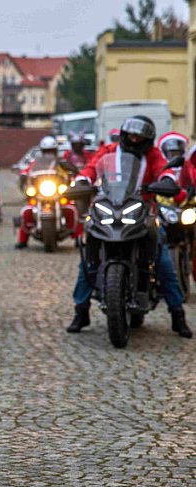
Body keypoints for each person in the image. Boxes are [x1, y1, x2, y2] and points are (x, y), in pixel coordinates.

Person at [67, 116, 192, 337]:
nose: (134, 140)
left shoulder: (153, 155)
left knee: (162, 260)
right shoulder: (108, 151)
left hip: (142, 210)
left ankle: (177, 314)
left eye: (139, 137)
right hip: (109, 206)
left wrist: (167, 181)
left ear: (148, 139)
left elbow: (164, 170)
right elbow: (90, 169)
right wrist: (82, 181)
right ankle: (81, 310)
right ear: (124, 135)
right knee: (88, 260)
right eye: (131, 135)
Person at [15, 136, 78, 249]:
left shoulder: (60, 162)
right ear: (42, 151)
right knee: (27, 211)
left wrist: (71, 172)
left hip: (57, 191)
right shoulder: (36, 162)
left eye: (51, 151)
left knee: (72, 209)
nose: (49, 154)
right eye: (46, 151)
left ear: (55, 151)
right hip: (40, 192)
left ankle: (78, 238)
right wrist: (23, 174)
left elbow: (70, 170)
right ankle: (22, 240)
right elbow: (28, 170)